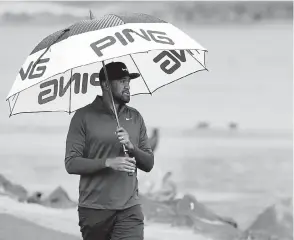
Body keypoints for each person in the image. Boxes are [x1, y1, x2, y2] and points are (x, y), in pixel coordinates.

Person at [64, 62, 154, 240]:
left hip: (129, 208)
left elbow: (149, 163)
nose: (127, 85)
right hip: (94, 210)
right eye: (121, 81)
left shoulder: (135, 117)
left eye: (128, 80)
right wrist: (108, 162)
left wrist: (131, 148)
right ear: (105, 84)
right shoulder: (83, 117)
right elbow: (71, 163)